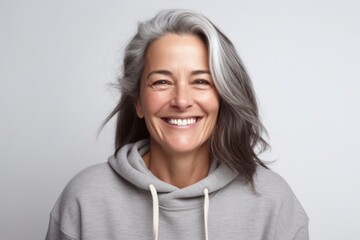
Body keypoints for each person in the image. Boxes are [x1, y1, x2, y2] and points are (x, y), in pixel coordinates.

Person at [45, 9, 309, 240]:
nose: (182, 100)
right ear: (137, 101)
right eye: (162, 81)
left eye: (201, 81)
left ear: (223, 97)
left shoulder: (274, 203)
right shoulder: (84, 199)